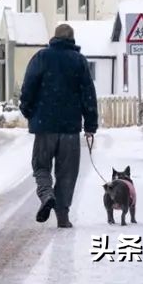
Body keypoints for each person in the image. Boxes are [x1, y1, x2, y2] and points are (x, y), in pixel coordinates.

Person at [18, 23, 99, 228]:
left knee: (41, 166)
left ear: (54, 38)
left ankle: (47, 194)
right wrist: (90, 124)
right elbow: (88, 94)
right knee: (67, 173)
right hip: (70, 128)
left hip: (44, 125)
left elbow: (28, 87)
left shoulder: (41, 57)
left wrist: (28, 110)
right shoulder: (79, 61)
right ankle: (63, 216)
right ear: (72, 39)